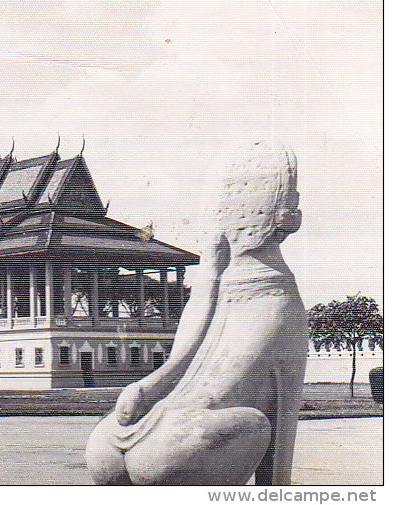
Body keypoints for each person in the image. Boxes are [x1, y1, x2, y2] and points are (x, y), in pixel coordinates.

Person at [85, 139, 306, 485]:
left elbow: (179, 360)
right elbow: (284, 415)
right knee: (264, 424)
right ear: (286, 216)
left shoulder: (210, 290)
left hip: (108, 445)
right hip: (178, 450)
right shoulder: (279, 302)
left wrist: (210, 271)